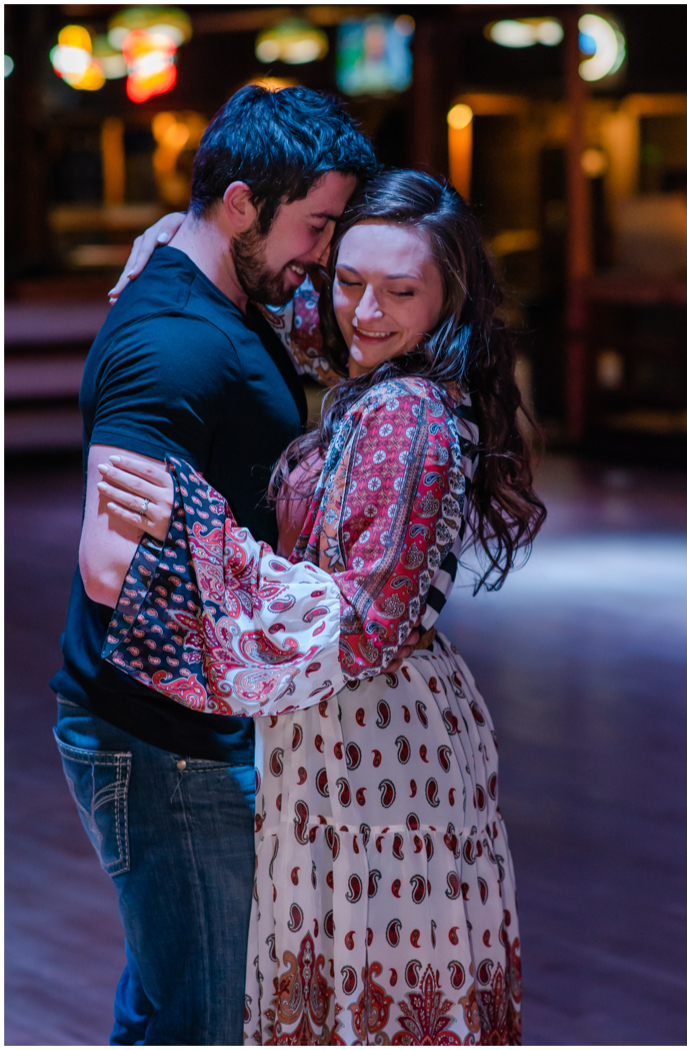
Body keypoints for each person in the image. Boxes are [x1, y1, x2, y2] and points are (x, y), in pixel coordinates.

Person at [93, 168, 543, 1043]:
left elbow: (362, 620)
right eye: (348, 280)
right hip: (342, 727)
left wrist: (192, 520)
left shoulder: (409, 411)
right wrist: (180, 241)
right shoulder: (376, 366)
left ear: (449, 296)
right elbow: (277, 298)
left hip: (380, 742)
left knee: (372, 992)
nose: (364, 312)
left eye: (400, 291)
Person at [53, 84, 377, 1044]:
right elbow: (112, 566)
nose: (320, 255)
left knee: (175, 999)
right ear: (241, 204)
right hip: (160, 746)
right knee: (202, 1019)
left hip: (182, 729)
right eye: (314, 228)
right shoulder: (173, 342)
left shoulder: (225, 291)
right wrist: (295, 600)